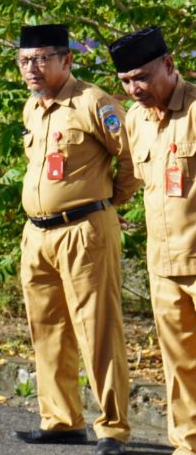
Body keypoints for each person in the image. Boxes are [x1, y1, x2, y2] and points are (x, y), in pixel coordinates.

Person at [11, 24, 139, 455]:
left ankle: (112, 428)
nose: (32, 67)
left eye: (43, 58)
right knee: (46, 329)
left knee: (98, 330)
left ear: (67, 60)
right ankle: (62, 420)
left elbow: (132, 158)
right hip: (38, 234)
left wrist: (105, 204)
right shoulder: (33, 107)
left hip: (85, 232)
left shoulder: (92, 102)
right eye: (25, 59)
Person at [111, 26, 196, 455]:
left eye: (141, 77)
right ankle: (187, 445)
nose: (134, 88)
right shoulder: (133, 119)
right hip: (163, 265)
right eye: (125, 81)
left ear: (169, 64)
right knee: (179, 366)